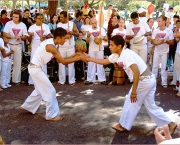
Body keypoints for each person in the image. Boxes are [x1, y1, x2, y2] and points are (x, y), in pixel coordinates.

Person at [85, 35, 177, 134]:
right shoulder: (117, 54)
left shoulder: (126, 55)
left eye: (112, 45)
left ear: (119, 46)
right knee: (150, 106)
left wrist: (134, 92)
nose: (109, 47)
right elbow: (104, 61)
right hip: (149, 79)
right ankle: (170, 124)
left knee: (131, 102)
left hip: (144, 81)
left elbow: (136, 72)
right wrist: (89, 59)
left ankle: (123, 125)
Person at [20, 27, 87, 121]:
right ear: (58, 38)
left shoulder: (53, 44)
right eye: (65, 38)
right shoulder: (50, 46)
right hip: (35, 69)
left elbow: (61, 59)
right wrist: (79, 58)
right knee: (50, 90)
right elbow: (63, 61)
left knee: (40, 90)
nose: (66, 40)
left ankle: (27, 106)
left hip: (35, 68)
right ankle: (51, 115)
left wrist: (75, 55)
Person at [3, 10, 28, 85]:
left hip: (18, 46)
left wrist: (21, 37)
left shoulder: (23, 25)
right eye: (13, 17)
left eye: (16, 17)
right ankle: (6, 81)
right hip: (9, 45)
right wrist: (13, 36)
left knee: (18, 63)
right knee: (8, 64)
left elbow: (25, 35)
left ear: (19, 17)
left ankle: (16, 80)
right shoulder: (8, 23)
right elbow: (5, 33)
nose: (14, 18)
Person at [28, 13, 51, 85]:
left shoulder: (46, 26)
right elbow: (29, 37)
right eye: (39, 19)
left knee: (43, 62)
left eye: (41, 19)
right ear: (35, 19)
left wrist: (45, 36)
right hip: (35, 45)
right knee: (33, 62)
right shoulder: (32, 27)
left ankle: (44, 80)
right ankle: (32, 81)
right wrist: (30, 35)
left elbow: (49, 35)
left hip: (43, 45)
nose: (40, 20)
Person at [151, 15, 174, 88]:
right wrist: (156, 41)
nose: (158, 22)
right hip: (157, 51)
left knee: (164, 67)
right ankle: (153, 81)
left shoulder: (169, 31)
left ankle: (164, 82)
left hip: (165, 52)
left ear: (164, 21)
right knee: (155, 67)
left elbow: (172, 42)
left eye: (159, 21)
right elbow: (152, 41)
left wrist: (165, 41)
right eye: (157, 21)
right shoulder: (155, 31)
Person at [57, 11, 79, 85]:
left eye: (62, 17)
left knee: (71, 63)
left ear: (66, 17)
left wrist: (72, 33)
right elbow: (56, 36)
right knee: (61, 63)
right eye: (60, 17)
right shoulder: (58, 25)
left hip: (70, 47)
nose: (60, 18)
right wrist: (65, 36)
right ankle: (61, 80)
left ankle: (71, 80)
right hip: (61, 47)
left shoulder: (72, 24)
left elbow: (78, 34)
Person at [84, 18, 108, 85]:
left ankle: (102, 79)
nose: (94, 24)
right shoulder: (89, 30)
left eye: (95, 23)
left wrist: (102, 38)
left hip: (100, 49)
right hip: (92, 49)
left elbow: (106, 39)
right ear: (90, 23)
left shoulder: (101, 29)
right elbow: (87, 41)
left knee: (100, 64)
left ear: (97, 22)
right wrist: (88, 36)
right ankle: (90, 79)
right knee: (91, 64)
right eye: (92, 23)